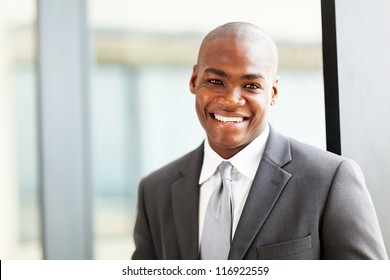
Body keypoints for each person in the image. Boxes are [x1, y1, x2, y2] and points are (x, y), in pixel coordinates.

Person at [131, 22, 388, 260]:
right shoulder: (155, 190)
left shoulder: (329, 180)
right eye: (215, 81)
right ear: (193, 80)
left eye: (251, 85)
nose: (232, 100)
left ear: (273, 92)